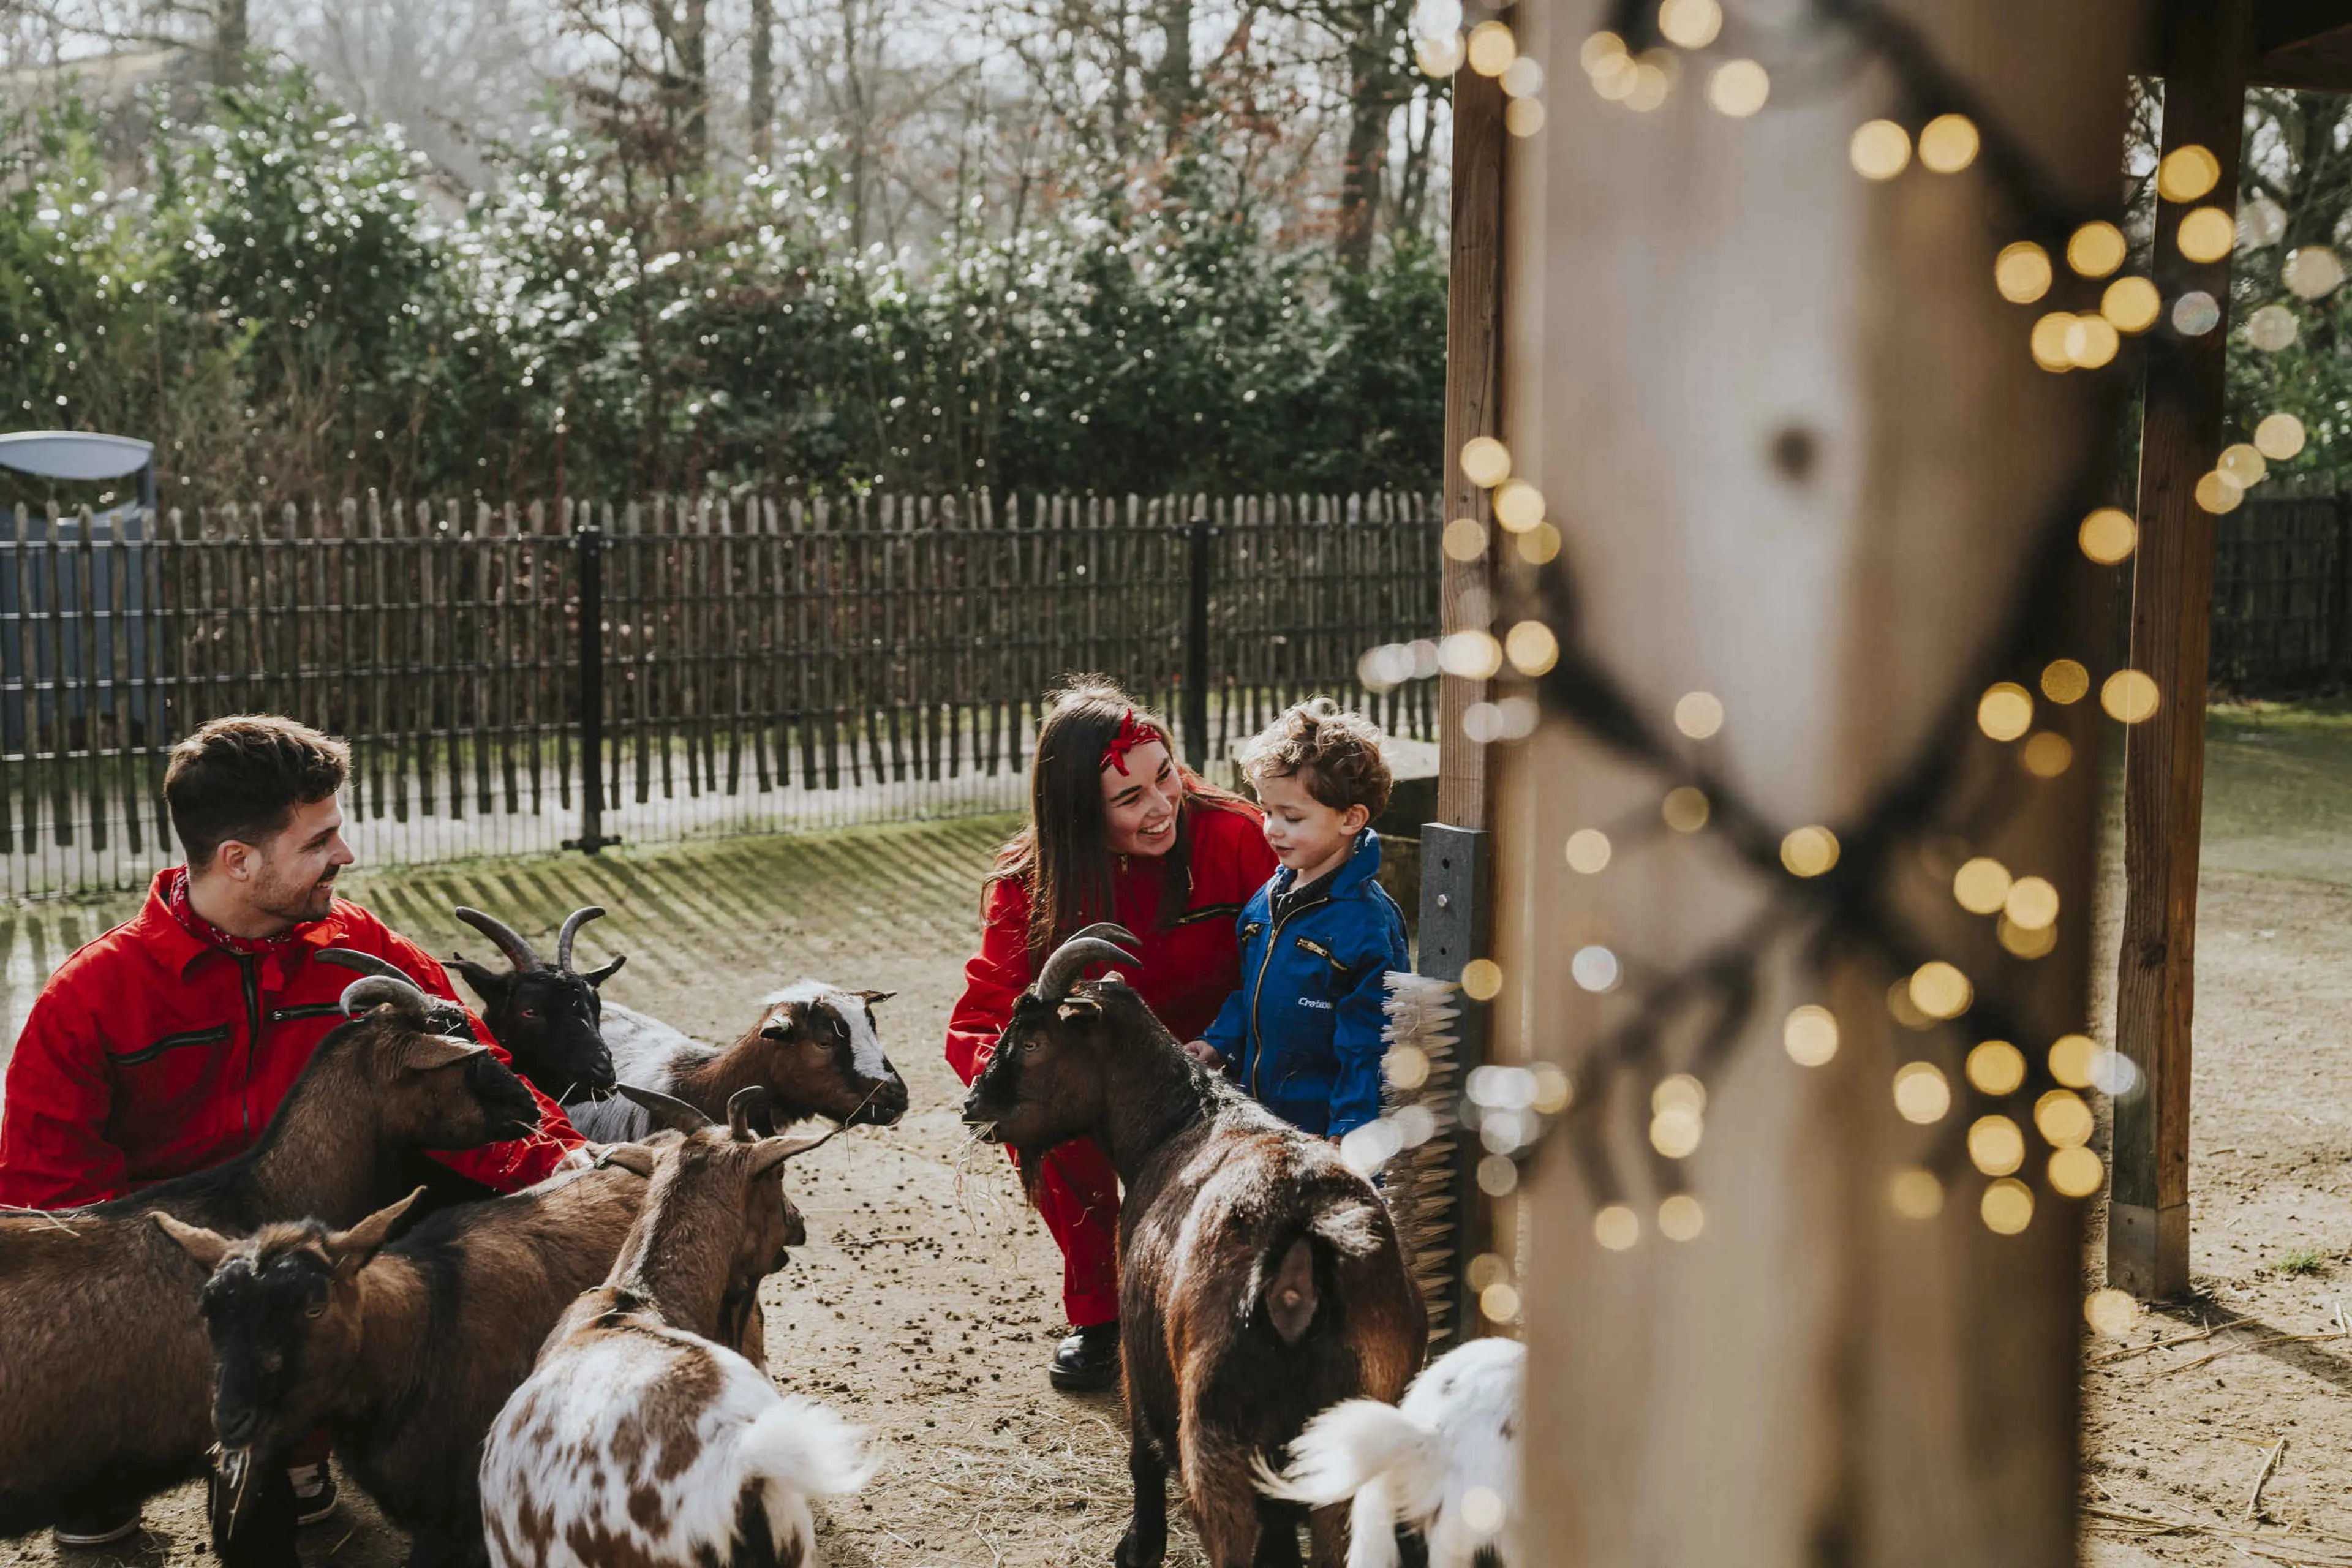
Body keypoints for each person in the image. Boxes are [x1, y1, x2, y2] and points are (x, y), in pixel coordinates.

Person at [0, 714, 585, 1544]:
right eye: (320, 841)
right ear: (238, 860)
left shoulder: (369, 954)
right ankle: (116, 1455)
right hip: (165, 1288)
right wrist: (134, 1362)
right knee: (94, 1483)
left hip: (327, 1263)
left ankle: (316, 1431)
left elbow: (488, 1091)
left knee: (473, 1221)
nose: (343, 856)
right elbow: (49, 1204)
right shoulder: (91, 996)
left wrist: (577, 1172)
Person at [944, 681, 1277, 1390]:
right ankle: (1104, 1312)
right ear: (1077, 814)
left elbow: (1284, 958)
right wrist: (1024, 1084)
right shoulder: (1029, 881)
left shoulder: (1240, 835)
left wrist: (1230, 1047)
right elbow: (982, 1015)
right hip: (1106, 1082)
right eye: (1130, 799)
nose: (1161, 807)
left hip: (1232, 1057)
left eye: (1167, 776)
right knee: (1048, 1109)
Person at [1189, 699, 1409, 1142]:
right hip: (1257, 1120)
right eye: (1267, 812)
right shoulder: (1265, 901)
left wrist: (1351, 1129)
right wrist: (1219, 1042)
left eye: (1291, 817)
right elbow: (1253, 993)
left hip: (1322, 1135)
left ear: (1351, 818)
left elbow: (1373, 1045)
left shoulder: (1368, 926)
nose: (1272, 829)